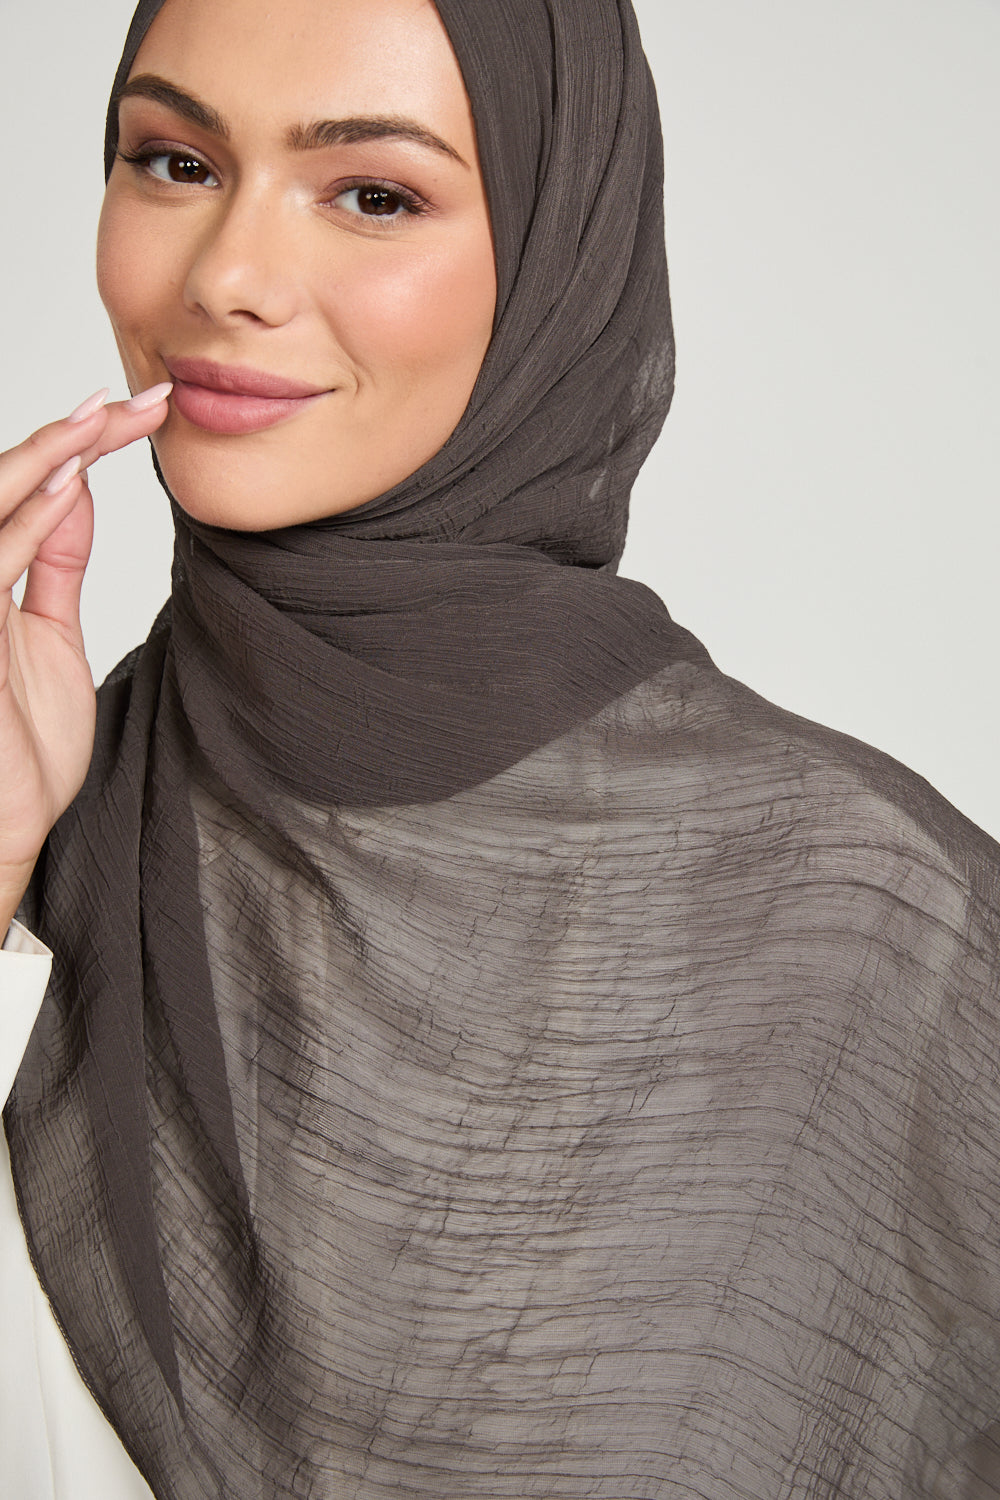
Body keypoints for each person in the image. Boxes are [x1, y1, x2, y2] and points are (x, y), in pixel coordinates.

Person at [2, 1, 1000, 1498]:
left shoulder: (867, 922)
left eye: (372, 193)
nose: (225, 278)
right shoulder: (51, 823)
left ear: (554, 258)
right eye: (175, 162)